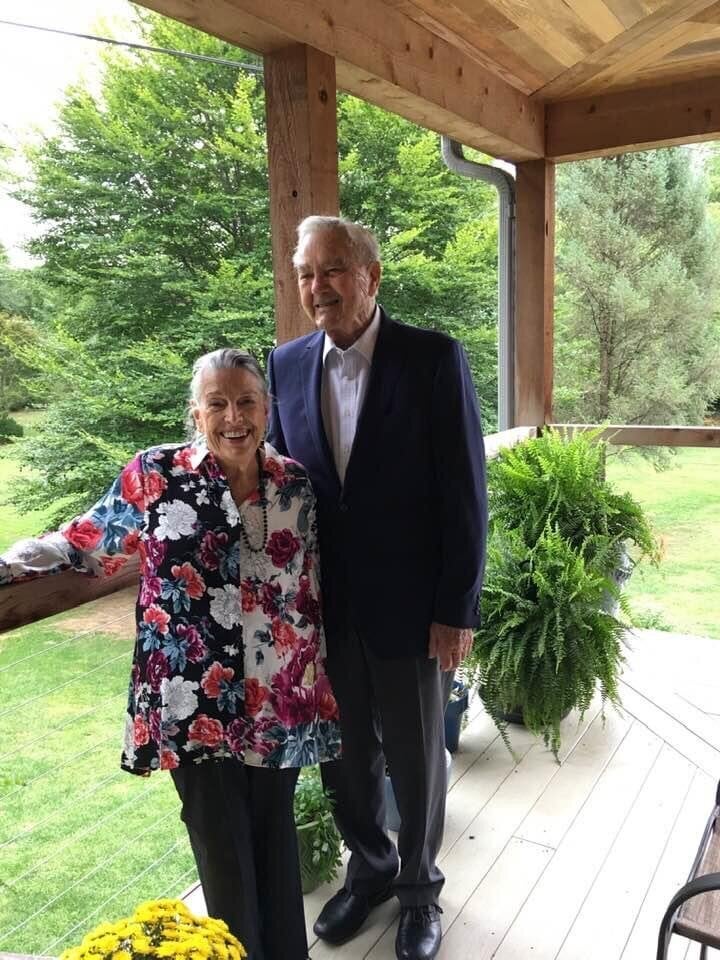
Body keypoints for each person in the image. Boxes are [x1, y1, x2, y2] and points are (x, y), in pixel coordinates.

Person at [0, 348, 340, 960]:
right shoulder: (155, 473)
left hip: (278, 697)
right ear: (196, 412)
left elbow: (307, 584)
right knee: (222, 847)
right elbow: (86, 540)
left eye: (246, 402)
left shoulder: (293, 482)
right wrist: (14, 561)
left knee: (274, 837)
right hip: (192, 699)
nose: (233, 416)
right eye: (217, 403)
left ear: (267, 409)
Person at [267, 216, 487, 960]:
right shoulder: (285, 365)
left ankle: (421, 892)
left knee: (418, 755)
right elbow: (278, 482)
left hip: (410, 608)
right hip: (325, 612)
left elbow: (463, 493)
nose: (317, 286)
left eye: (333, 269)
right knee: (344, 754)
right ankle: (371, 871)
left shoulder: (431, 359)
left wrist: (456, 609)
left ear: (371, 276)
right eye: (305, 273)